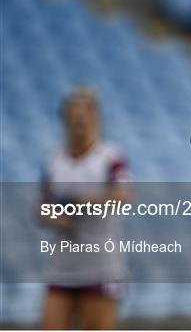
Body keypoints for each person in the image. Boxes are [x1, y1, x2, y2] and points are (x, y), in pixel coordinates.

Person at [39, 86, 130, 330]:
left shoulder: (109, 157)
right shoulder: (54, 160)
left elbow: (122, 196)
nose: (78, 124)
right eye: (73, 118)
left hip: (100, 266)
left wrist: (83, 201)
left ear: (95, 119)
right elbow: (41, 207)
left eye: (83, 118)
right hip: (61, 267)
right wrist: (56, 217)